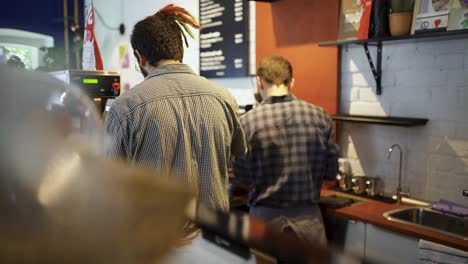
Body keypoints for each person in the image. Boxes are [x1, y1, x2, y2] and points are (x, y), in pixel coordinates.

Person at [104, 5, 246, 212]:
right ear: (180, 50)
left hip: (158, 237)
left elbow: (109, 182)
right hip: (215, 235)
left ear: (140, 56)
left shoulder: (125, 108)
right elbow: (237, 153)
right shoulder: (223, 98)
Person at [231, 56, 339, 246]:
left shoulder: (246, 122)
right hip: (310, 222)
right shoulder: (321, 117)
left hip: (264, 222)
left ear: (259, 81)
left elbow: (242, 177)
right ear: (292, 82)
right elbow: (331, 173)